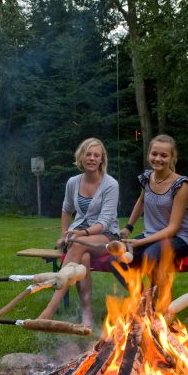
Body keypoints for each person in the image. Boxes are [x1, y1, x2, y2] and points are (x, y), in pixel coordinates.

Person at [37, 138, 120, 328]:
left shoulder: (110, 185)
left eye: (96, 155)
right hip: (78, 237)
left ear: (102, 159)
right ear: (81, 157)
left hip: (106, 236)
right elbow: (66, 210)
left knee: (79, 244)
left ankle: (50, 309)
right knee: (83, 261)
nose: (91, 158)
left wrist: (79, 234)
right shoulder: (73, 182)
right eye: (87, 154)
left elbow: (104, 222)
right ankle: (87, 314)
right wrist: (64, 234)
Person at [111, 134, 188, 291]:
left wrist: (140, 242)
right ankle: (141, 298)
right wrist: (128, 227)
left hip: (179, 238)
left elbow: (173, 228)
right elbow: (142, 200)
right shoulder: (147, 178)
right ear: (148, 154)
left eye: (164, 155)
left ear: (172, 158)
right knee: (116, 259)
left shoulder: (181, 185)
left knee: (151, 255)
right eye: (154, 154)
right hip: (151, 235)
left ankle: (158, 305)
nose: (158, 158)